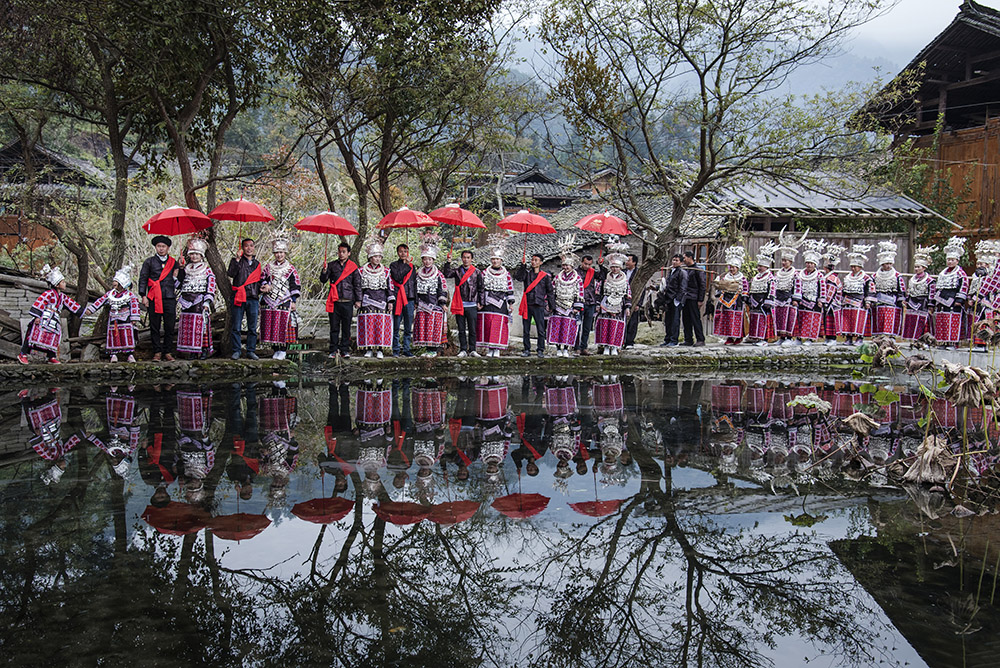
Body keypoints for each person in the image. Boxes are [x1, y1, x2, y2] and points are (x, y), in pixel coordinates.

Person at [18, 264, 84, 364]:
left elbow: (72, 304)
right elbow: (40, 302)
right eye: (63, 282)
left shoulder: (63, 297)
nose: (65, 284)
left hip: (54, 319)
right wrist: (37, 316)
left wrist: (85, 311)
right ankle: (23, 354)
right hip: (44, 318)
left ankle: (51, 357)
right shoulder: (48, 294)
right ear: (57, 285)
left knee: (52, 338)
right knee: (33, 336)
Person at [84, 264, 140, 362]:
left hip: (126, 319)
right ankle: (114, 354)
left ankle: (129, 354)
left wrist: (134, 318)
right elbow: (100, 301)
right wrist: (91, 309)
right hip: (113, 319)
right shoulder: (110, 294)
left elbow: (135, 306)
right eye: (114, 281)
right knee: (114, 336)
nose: (114, 283)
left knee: (127, 336)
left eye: (116, 281)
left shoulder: (130, 295)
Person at [260, 236, 300, 360]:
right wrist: (264, 285)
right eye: (277, 252)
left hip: (284, 300)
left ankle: (283, 350)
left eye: (281, 252)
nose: (279, 255)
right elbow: (262, 279)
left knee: (283, 326)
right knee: (272, 325)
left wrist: (293, 301)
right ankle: (275, 349)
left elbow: (295, 285)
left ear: (285, 253)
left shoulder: (290, 268)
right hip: (269, 300)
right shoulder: (268, 267)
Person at [176, 237, 217, 359]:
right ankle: (192, 351)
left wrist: (207, 301)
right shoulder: (186, 269)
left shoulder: (207, 269)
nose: (194, 257)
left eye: (196, 254)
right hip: (185, 301)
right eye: (192, 254)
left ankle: (204, 350)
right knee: (188, 328)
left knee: (201, 327)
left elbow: (211, 286)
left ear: (201, 256)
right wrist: (179, 271)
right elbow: (179, 284)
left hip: (200, 301)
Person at [139, 235, 178, 361]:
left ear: (168, 248)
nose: (161, 249)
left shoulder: (174, 262)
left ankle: (167, 351)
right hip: (154, 297)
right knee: (154, 325)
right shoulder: (149, 262)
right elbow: (143, 279)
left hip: (169, 297)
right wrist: (143, 296)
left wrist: (181, 269)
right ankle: (157, 351)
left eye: (163, 247)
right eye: (159, 246)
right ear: (156, 247)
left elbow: (179, 281)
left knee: (170, 325)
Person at [321, 242, 361, 359]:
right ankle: (333, 349)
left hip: (348, 301)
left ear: (348, 253)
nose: (341, 254)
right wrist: (324, 271)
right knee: (334, 327)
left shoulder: (353, 267)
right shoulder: (331, 265)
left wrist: (358, 300)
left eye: (344, 252)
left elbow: (357, 284)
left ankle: (345, 349)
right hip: (335, 300)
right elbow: (323, 280)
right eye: (339, 251)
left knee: (346, 327)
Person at [411, 233, 449, 357]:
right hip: (422, 304)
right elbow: (415, 288)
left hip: (435, 305)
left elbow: (442, 289)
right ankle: (428, 349)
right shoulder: (418, 274)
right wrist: (416, 302)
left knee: (434, 328)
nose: (427, 261)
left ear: (433, 260)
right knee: (425, 327)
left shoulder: (438, 274)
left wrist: (442, 303)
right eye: (425, 259)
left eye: (429, 259)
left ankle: (434, 350)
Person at [477, 237, 515, 358]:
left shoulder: (506, 274)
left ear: (501, 260)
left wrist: (510, 304)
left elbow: (510, 289)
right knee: (487, 325)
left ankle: (497, 348)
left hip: (500, 304)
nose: (495, 261)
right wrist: (480, 301)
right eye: (493, 259)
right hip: (487, 302)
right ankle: (489, 348)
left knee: (498, 325)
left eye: (497, 259)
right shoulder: (484, 272)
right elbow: (480, 288)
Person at [357, 238, 394, 358]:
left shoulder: (387, 271)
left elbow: (390, 287)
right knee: (368, 325)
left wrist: (390, 301)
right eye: (375, 256)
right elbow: (358, 287)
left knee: (380, 326)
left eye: (379, 256)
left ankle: (380, 350)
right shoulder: (362, 271)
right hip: (367, 301)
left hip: (381, 301)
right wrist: (358, 300)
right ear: (370, 257)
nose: (377, 259)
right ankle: (368, 349)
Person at [443, 249, 483, 357]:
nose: (466, 260)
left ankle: (473, 349)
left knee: (472, 329)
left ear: (472, 259)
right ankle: (463, 349)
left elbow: (481, 288)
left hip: (472, 304)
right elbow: (446, 274)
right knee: (461, 329)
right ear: (462, 259)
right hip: (460, 303)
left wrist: (481, 302)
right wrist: (448, 262)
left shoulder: (477, 272)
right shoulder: (457, 271)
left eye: (468, 258)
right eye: (464, 257)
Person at [548, 238, 584, 358]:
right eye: (564, 265)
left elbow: (580, 293)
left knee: (568, 328)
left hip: (570, 306)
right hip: (558, 305)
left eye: (568, 265)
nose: (566, 267)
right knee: (558, 327)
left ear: (572, 265)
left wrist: (577, 307)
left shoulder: (577, 279)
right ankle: (558, 348)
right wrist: (551, 304)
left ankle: (566, 348)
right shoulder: (557, 277)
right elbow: (552, 291)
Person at [594, 238, 631, 355]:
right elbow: (599, 291)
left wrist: (628, 307)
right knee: (605, 324)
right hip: (606, 303)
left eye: (617, 267)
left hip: (619, 304)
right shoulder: (605, 277)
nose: (615, 269)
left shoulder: (624, 279)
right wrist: (598, 304)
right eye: (613, 267)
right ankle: (605, 346)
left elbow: (627, 294)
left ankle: (614, 346)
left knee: (616, 325)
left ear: (620, 268)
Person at [227, 238, 262, 360]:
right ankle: (236, 350)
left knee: (252, 327)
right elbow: (231, 273)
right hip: (238, 296)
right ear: (242, 248)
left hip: (252, 297)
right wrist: (236, 260)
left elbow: (259, 280)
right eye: (246, 246)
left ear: (254, 247)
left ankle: (250, 351)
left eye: (251, 246)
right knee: (236, 325)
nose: (249, 248)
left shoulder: (257, 264)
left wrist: (263, 287)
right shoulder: (236, 261)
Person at [514, 253, 554, 357]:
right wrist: (522, 266)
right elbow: (518, 277)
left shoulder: (545, 277)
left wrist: (551, 305)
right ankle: (526, 349)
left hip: (539, 304)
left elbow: (550, 292)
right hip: (527, 304)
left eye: (536, 260)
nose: (533, 262)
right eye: (532, 260)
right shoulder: (527, 274)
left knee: (540, 329)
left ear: (541, 262)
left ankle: (540, 349)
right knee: (526, 329)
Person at [933, 236, 969, 349]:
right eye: (948, 259)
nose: (950, 261)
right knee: (942, 320)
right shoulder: (943, 273)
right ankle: (942, 342)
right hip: (942, 301)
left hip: (953, 301)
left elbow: (964, 286)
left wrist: (959, 300)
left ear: (957, 261)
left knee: (952, 321)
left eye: (953, 260)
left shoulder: (961, 274)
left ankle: (953, 343)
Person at [773, 229, 806, 346]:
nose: (784, 262)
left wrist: (796, 299)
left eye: (786, 260)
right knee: (779, 318)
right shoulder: (778, 273)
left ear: (791, 261)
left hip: (789, 299)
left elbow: (798, 288)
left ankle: (789, 337)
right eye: (783, 260)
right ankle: (781, 337)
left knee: (789, 318)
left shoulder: (796, 274)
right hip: (779, 298)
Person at [839, 244, 875, 347]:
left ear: (860, 267)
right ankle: (848, 338)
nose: (853, 268)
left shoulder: (866, 278)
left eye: (855, 267)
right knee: (847, 321)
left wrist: (868, 301)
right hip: (847, 303)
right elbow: (844, 290)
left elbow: (870, 290)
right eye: (852, 266)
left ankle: (859, 338)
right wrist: (842, 300)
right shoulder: (847, 277)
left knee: (859, 321)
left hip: (859, 303)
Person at [712, 246, 748, 345]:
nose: (731, 269)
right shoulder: (725, 276)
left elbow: (745, 288)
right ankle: (729, 337)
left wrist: (744, 296)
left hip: (737, 301)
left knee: (736, 318)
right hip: (725, 300)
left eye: (733, 267)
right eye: (730, 267)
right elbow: (720, 286)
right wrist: (719, 291)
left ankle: (738, 337)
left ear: (738, 268)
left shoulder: (742, 278)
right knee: (727, 319)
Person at [794, 240, 826, 345]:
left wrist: (821, 300)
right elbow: (797, 286)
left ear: (815, 264)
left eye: (811, 263)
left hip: (814, 301)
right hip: (802, 300)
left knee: (812, 320)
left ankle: (809, 339)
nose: (809, 265)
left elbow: (822, 288)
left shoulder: (819, 275)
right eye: (807, 263)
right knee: (800, 319)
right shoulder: (800, 274)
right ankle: (799, 338)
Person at [872, 241, 906, 339]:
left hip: (892, 301)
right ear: (882, 264)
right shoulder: (875, 276)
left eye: (890, 263)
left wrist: (900, 300)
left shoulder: (897, 276)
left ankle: (891, 336)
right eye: (886, 263)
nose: (889, 266)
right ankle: (878, 336)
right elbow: (872, 289)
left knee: (891, 319)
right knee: (879, 319)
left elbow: (901, 290)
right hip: (879, 301)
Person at [902, 245, 936, 344]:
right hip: (912, 303)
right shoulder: (913, 279)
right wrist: (906, 300)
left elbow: (932, 293)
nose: (916, 269)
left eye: (919, 267)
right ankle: (913, 340)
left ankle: (923, 341)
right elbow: (909, 290)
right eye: (915, 267)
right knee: (912, 322)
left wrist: (930, 305)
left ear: (924, 267)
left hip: (923, 303)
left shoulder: (929, 280)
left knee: (922, 322)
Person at [746, 243, 778, 346]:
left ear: (766, 267)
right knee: (755, 320)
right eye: (758, 266)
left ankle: (764, 339)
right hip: (755, 302)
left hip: (764, 302)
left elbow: (772, 291)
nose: (759, 268)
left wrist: (768, 301)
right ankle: (755, 337)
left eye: (761, 266)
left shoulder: (771, 278)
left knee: (764, 321)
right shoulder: (756, 277)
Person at [969, 240, 998, 350]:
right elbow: (973, 288)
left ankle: (986, 344)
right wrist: (970, 298)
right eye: (978, 264)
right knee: (977, 322)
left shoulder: (991, 276)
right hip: (977, 303)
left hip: (988, 302)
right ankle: (977, 343)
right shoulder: (976, 275)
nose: (980, 266)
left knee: (986, 322)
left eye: (983, 264)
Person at [389, 243, 416, 358]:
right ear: (397, 253)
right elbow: (398, 277)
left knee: (408, 327)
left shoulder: (412, 267)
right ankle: (395, 349)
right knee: (396, 325)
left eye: (405, 251)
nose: (403, 253)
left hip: (409, 299)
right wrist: (406, 265)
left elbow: (414, 283)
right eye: (401, 251)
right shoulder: (393, 265)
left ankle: (407, 349)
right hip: (398, 298)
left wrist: (416, 301)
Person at [576, 254, 604, 355]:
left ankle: (584, 347)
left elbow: (602, 277)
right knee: (577, 326)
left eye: (589, 264)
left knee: (587, 327)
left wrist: (600, 265)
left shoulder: (592, 272)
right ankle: (576, 347)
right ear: (581, 262)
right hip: (579, 302)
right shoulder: (575, 272)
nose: (587, 266)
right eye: (585, 264)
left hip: (590, 301)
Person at [658, 254, 687, 347]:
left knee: (675, 320)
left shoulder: (682, 273)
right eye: (673, 260)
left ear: (681, 262)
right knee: (668, 320)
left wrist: (678, 299)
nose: (674, 262)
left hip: (676, 299)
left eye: (676, 260)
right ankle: (667, 338)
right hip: (668, 298)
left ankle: (674, 340)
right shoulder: (671, 272)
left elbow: (683, 287)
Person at [820, 244, 844, 346]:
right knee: (827, 320)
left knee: (832, 321)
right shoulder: (829, 277)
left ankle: (833, 338)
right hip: (830, 303)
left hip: (833, 304)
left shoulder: (832, 279)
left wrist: (826, 303)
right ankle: (828, 337)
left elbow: (830, 292)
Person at [681, 251, 705, 346]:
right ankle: (688, 339)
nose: (684, 260)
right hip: (685, 297)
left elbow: (702, 285)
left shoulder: (698, 270)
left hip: (694, 297)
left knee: (695, 318)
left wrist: (700, 299)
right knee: (686, 319)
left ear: (690, 257)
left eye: (685, 257)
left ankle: (700, 339)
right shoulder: (685, 269)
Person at [623, 253, 641, 347]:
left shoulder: (639, 273)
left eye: (629, 260)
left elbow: (642, 289)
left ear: (634, 262)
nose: (626, 262)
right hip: (623, 299)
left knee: (633, 321)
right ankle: (622, 339)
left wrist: (639, 303)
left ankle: (630, 341)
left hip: (634, 298)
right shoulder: (622, 272)